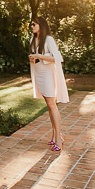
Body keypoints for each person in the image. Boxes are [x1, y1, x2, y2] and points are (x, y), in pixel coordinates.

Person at [29, 17, 69, 151]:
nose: (32, 26)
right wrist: (34, 59)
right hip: (39, 74)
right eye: (31, 24)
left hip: (48, 76)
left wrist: (39, 56)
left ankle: (59, 138)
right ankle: (54, 136)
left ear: (41, 25)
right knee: (49, 105)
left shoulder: (48, 40)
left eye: (34, 24)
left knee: (52, 105)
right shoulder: (33, 40)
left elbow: (57, 58)